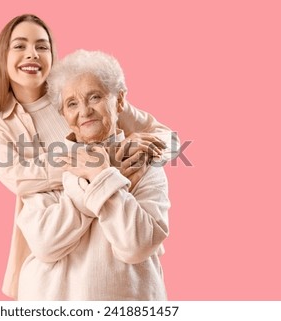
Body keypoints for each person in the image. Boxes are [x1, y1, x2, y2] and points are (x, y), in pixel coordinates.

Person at [0, 14, 178, 299]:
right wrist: (98, 165)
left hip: (112, 250)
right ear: (3, 56)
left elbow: (169, 138)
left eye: (42, 46)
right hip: (56, 245)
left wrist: (144, 153)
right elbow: (23, 180)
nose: (32, 54)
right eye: (19, 46)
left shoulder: (79, 85)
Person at [16, 50, 170, 300]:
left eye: (95, 97)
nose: (85, 111)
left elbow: (137, 245)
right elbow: (45, 244)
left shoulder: (143, 161)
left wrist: (98, 175)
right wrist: (111, 175)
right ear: (64, 115)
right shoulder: (46, 168)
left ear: (119, 101)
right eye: (72, 104)